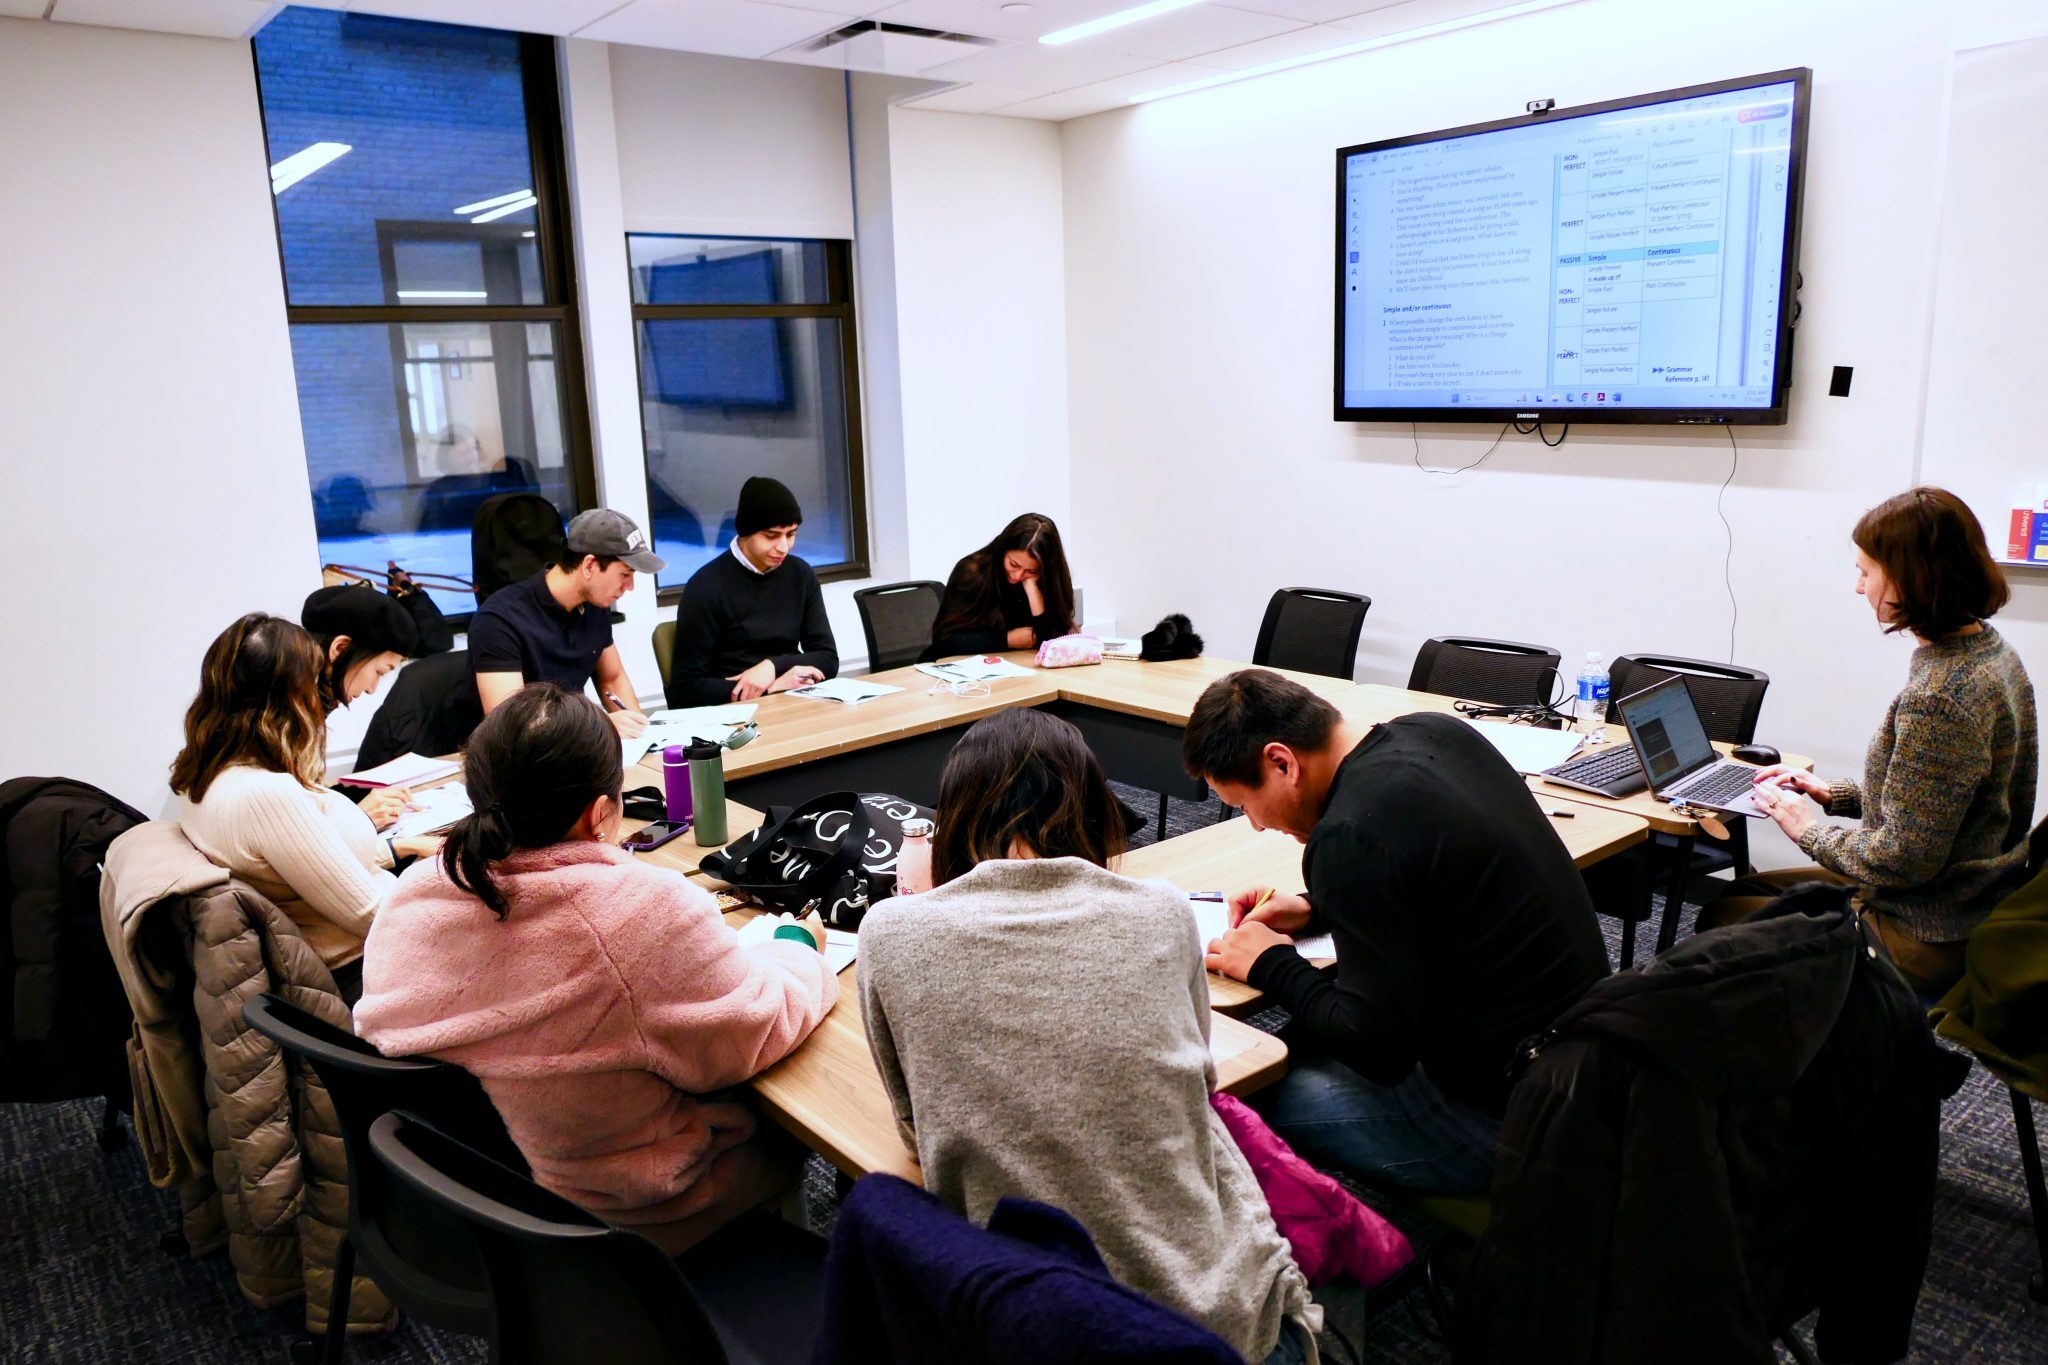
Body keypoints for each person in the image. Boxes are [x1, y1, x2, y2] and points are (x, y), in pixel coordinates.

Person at [858, 708, 1319, 1365]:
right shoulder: (1162, 909)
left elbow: (918, 1131)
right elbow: (1199, 1086)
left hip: (1028, 1320)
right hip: (1213, 1323)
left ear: (955, 817)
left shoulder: (888, 933)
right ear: (1095, 810)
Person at [353, 684, 837, 1254]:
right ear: (600, 813)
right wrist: (795, 945)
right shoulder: (636, 913)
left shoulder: (416, 892)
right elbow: (756, 1030)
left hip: (469, 1206)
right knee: (798, 1127)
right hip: (624, 1224)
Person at [1185, 671, 1609, 1195]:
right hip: (1586, 1071)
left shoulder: (1349, 835)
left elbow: (1378, 1052)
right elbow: (1427, 879)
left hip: (1510, 1125)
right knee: (1293, 1041)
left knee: (1248, 1092)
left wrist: (1270, 964)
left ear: (1281, 763)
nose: (1255, 824)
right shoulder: (1435, 732)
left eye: (1244, 805)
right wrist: (1317, 908)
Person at [1702, 487, 2038, 993]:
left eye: (1866, 571)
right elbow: (1943, 803)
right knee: (1743, 892)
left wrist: (1806, 829)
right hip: (1970, 896)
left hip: (1927, 924)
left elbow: (1904, 859)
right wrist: (1832, 793)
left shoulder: (1940, 696)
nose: (1859, 587)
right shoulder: (1991, 653)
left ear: (1909, 577)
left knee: (1724, 921)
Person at [167, 614, 441, 999]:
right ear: (290, 695)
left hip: (365, 946)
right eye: (314, 683)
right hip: (366, 964)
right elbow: (369, 913)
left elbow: (303, 866)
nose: (322, 697)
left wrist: (401, 848)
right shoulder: (266, 794)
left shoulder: (208, 772)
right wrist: (454, 907)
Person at [468, 508, 660, 738]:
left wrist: (643, 736)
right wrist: (598, 727)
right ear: (589, 566)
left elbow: (613, 679)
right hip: (513, 750)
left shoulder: (594, 606)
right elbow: (510, 725)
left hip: (570, 741)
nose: (630, 587)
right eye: (625, 574)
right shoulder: (500, 620)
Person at [666, 476, 839, 707]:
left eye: (791, 534)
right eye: (771, 536)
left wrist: (772, 667)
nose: (783, 547)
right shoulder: (705, 587)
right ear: (746, 532)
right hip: (732, 713)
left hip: (793, 703)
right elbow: (685, 689)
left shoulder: (800, 574)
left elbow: (828, 658)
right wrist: (771, 689)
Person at [922, 512, 1077, 661]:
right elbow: (945, 641)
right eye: (1013, 564)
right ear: (1003, 551)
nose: (1018, 576)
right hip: (965, 667)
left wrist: (1034, 592)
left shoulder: (1047, 581)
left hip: (1021, 666)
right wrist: (1006, 640)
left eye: (1031, 571)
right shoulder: (972, 572)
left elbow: (1053, 640)